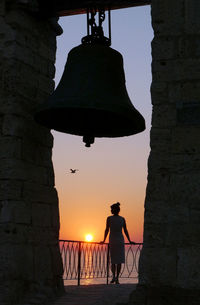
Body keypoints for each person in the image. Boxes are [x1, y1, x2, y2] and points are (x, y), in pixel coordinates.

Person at [100, 202, 135, 284]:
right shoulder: (122, 219)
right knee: (118, 260)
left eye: (111, 209)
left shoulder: (109, 218)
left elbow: (107, 230)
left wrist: (104, 240)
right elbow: (125, 230)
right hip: (120, 240)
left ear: (114, 210)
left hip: (113, 240)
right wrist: (129, 240)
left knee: (113, 260)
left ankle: (114, 277)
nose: (111, 210)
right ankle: (117, 278)